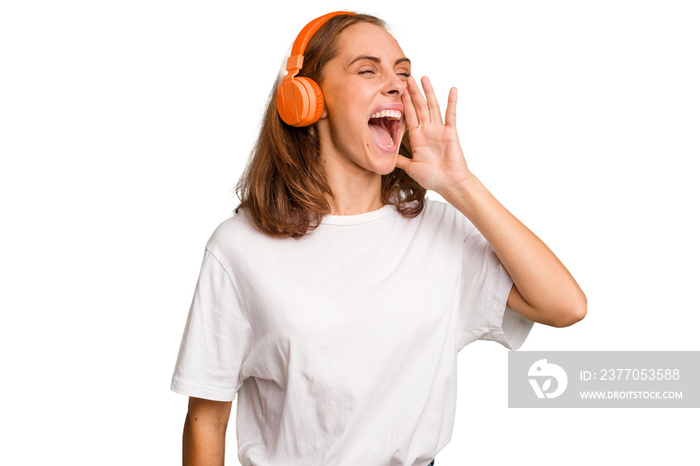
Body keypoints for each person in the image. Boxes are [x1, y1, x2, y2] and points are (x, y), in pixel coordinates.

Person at [170, 11, 586, 466]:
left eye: (402, 73)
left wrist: (459, 185)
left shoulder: (441, 231)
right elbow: (206, 420)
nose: (396, 84)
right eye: (368, 70)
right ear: (307, 98)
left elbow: (565, 306)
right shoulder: (240, 246)